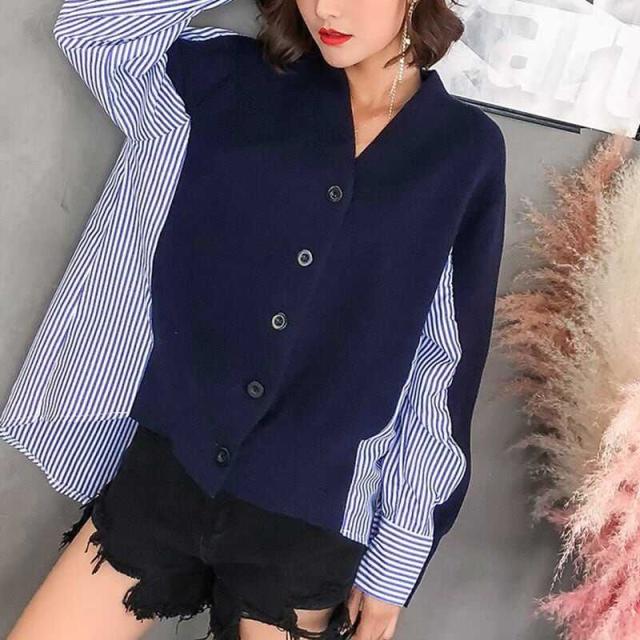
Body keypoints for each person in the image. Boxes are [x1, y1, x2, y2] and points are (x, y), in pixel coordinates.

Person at [3, 0, 507, 638]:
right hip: (168, 472)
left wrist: (394, 562)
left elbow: (444, 367)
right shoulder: (233, 78)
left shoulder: (463, 152)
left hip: (308, 520)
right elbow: (93, 30)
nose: (325, 8)